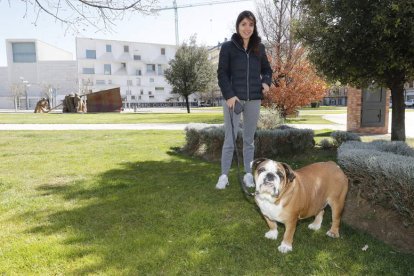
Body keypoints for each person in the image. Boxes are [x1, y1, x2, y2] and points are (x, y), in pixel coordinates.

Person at [215, 10, 272, 189]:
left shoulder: (259, 48)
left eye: (251, 24)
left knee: (249, 140)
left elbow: (267, 70)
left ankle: (248, 174)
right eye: (244, 24)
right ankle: (224, 175)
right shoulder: (228, 47)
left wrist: (266, 82)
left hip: (254, 99)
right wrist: (230, 95)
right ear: (238, 26)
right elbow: (222, 73)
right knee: (229, 139)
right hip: (233, 100)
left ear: (254, 27)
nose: (247, 28)